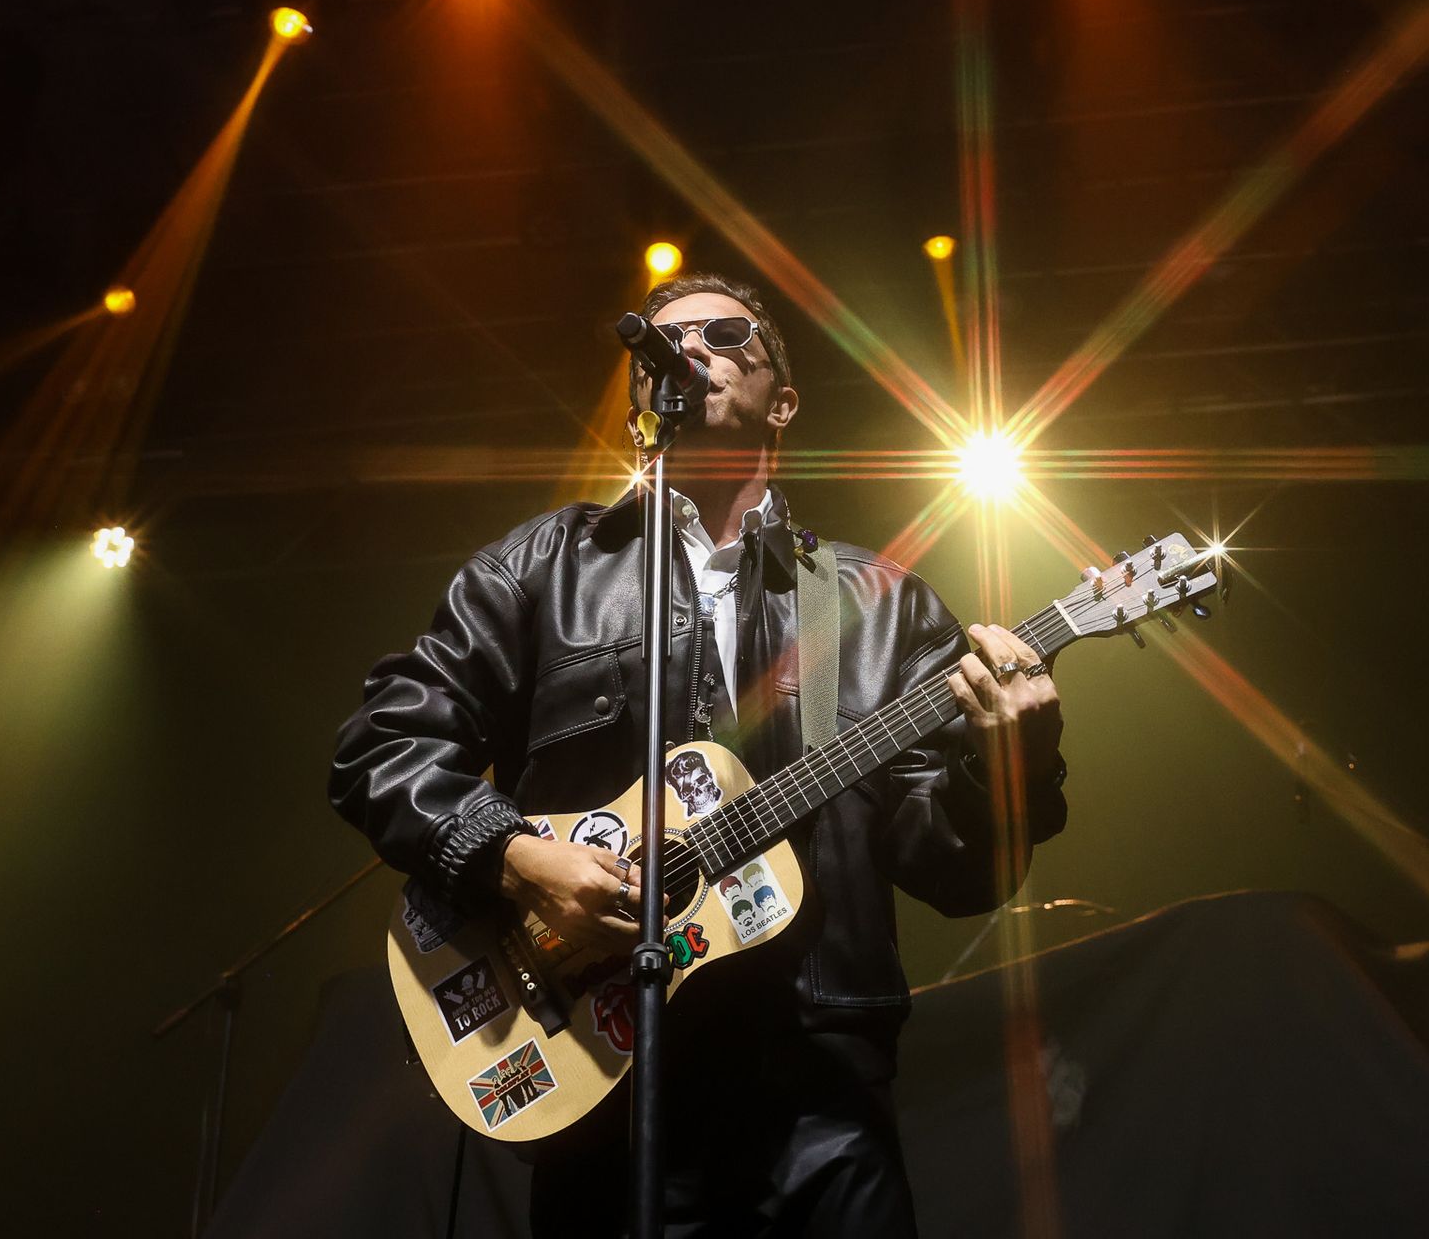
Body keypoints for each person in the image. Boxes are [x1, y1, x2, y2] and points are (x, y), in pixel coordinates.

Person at [329, 272, 1068, 1235]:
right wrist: (517, 860)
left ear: (783, 402)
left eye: (725, 335)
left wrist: (1010, 764)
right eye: (663, 342)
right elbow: (383, 743)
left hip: (820, 1092)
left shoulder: (876, 606)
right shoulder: (543, 569)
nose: (689, 349)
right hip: (605, 1083)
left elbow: (959, 873)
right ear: (640, 400)